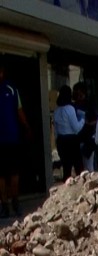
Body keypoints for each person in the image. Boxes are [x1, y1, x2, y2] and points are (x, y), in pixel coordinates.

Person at [0, 61, 30, 217]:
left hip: (12, 138)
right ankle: (5, 205)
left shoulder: (11, 89)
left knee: (13, 173)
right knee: (2, 175)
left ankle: (15, 202)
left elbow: (19, 111)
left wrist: (26, 127)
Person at [53, 84, 84, 181]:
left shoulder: (56, 110)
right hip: (71, 140)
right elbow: (76, 128)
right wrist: (83, 119)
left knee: (66, 169)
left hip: (61, 141)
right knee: (79, 168)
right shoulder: (69, 108)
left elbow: (56, 130)